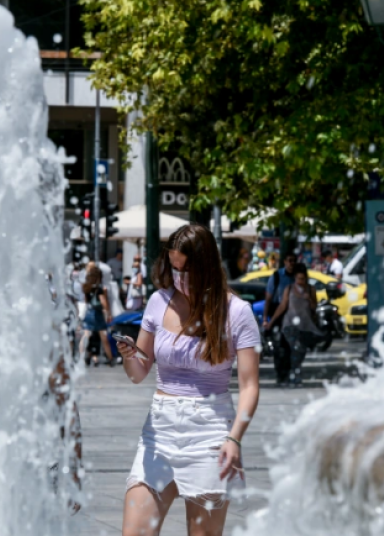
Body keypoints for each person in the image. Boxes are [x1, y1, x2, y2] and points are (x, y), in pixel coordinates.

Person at [115, 224, 261, 536]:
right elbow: (139, 374)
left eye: (187, 269)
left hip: (210, 432)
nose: (179, 277)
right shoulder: (158, 301)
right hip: (159, 431)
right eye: (175, 268)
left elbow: (250, 386)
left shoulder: (237, 312)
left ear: (207, 266)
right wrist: (130, 356)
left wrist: (234, 438)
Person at [265, 263, 325, 387]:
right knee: (295, 349)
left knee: (301, 352)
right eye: (298, 279)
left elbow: (314, 308)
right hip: (289, 325)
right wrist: (271, 322)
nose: (300, 282)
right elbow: (282, 306)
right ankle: (294, 375)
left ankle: (293, 373)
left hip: (305, 326)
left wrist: (309, 299)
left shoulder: (311, 289)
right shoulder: (289, 289)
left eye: (303, 279)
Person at [262, 253, 297, 386]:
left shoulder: (297, 277)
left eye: (294, 261)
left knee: (290, 346)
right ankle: (281, 374)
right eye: (289, 260)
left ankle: (288, 373)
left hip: (293, 314)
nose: (291, 263)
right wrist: (266, 319)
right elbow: (269, 299)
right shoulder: (276, 276)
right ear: (285, 261)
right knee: (279, 346)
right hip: (278, 314)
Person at [80, 265, 117, 367]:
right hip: (97, 314)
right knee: (104, 337)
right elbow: (103, 301)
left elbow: (86, 301)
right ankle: (110, 359)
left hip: (89, 312)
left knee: (86, 335)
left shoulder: (86, 287)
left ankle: (80, 357)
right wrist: (108, 312)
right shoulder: (99, 289)